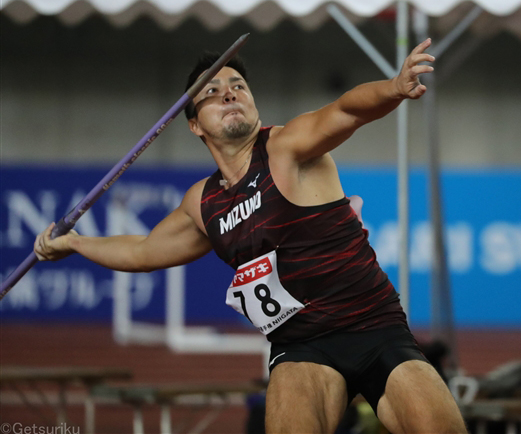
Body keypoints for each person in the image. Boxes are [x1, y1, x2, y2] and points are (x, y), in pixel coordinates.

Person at [34, 38, 467, 434]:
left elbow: (346, 111)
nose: (228, 92)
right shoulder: (202, 204)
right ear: (194, 125)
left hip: (376, 329)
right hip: (301, 348)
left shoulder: (285, 146)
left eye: (238, 85)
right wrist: (73, 243)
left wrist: (393, 87)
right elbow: (144, 249)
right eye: (212, 90)